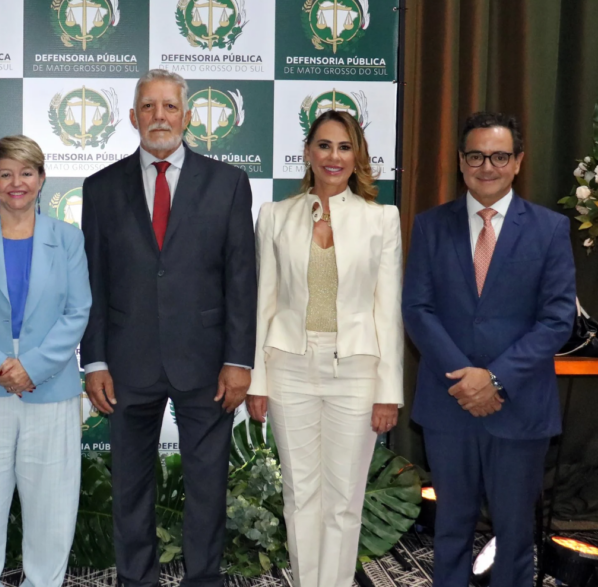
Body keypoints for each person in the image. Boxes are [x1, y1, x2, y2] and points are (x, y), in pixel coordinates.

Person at [81, 69, 256, 587]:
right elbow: (94, 281)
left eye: (170, 107)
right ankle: (137, 578)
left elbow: (241, 279)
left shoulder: (228, 182)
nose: (160, 116)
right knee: (130, 485)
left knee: (207, 484)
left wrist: (239, 359)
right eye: (149, 107)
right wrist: (95, 361)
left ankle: (203, 578)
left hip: (207, 363)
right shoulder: (101, 186)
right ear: (132, 117)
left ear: (187, 116)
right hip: (126, 362)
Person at [403, 112, 576, 587]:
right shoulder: (430, 226)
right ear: (461, 161)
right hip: (450, 402)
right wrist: (466, 377)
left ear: (518, 162)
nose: (487, 166)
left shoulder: (549, 229)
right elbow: (417, 309)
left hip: (518, 406)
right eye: (476, 155)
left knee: (516, 535)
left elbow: (558, 319)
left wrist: (495, 378)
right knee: (451, 531)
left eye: (499, 156)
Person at [245, 110, 402, 587]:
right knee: (301, 496)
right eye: (325, 146)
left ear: (358, 158)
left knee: (343, 500)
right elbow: (263, 304)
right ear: (308, 153)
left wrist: (387, 391)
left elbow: (387, 311)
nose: (334, 157)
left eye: (344, 147)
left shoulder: (382, 220)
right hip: (288, 367)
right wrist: (257, 380)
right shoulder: (274, 215)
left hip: (356, 371)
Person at [0, 134, 91, 587]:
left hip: (50, 388)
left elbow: (78, 310)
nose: (16, 183)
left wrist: (33, 365)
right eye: (5, 173)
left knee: (51, 507)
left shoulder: (67, 239)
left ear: (42, 179)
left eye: (26, 173)